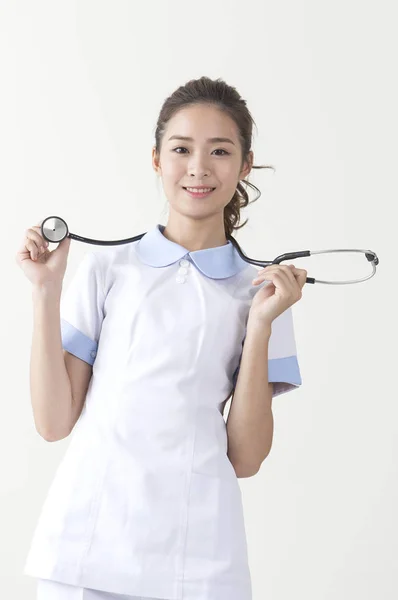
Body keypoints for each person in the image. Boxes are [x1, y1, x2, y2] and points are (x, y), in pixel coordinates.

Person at [16, 76, 307, 600]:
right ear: (156, 159)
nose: (198, 167)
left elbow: (246, 458)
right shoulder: (109, 269)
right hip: (86, 547)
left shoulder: (263, 290)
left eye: (220, 151)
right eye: (181, 149)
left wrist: (260, 326)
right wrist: (46, 291)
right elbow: (53, 422)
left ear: (244, 166)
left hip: (198, 561)